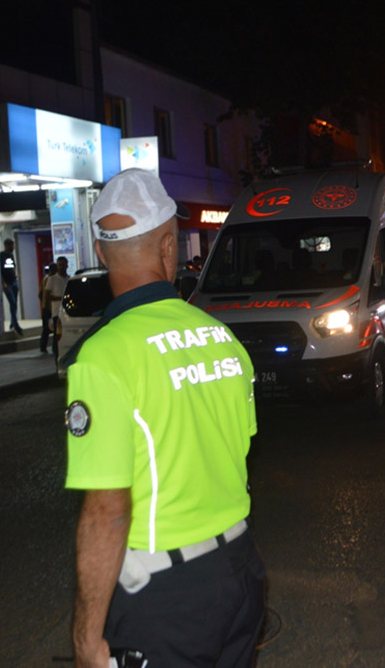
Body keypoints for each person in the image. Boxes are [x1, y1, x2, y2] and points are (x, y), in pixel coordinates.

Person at [63, 169, 263, 667]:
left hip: (166, 598)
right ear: (168, 245)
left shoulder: (103, 356)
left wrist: (87, 636)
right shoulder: (223, 339)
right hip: (239, 573)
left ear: (101, 250)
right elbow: (233, 453)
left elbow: (108, 509)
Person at [40, 257, 69, 357]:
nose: (61, 267)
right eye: (59, 265)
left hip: (68, 313)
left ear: (67, 266)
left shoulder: (68, 279)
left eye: (63, 265)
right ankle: (56, 355)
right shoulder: (52, 279)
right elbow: (46, 295)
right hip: (57, 313)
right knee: (57, 336)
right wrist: (60, 299)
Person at [0, 239, 22, 334]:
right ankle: (15, 324)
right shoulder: (1, 256)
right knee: (12, 302)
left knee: (15, 303)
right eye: (11, 246)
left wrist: (15, 273)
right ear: (6, 245)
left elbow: (13, 265)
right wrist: (3, 283)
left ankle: (13, 322)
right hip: (7, 283)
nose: (13, 248)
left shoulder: (11, 255)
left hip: (13, 282)